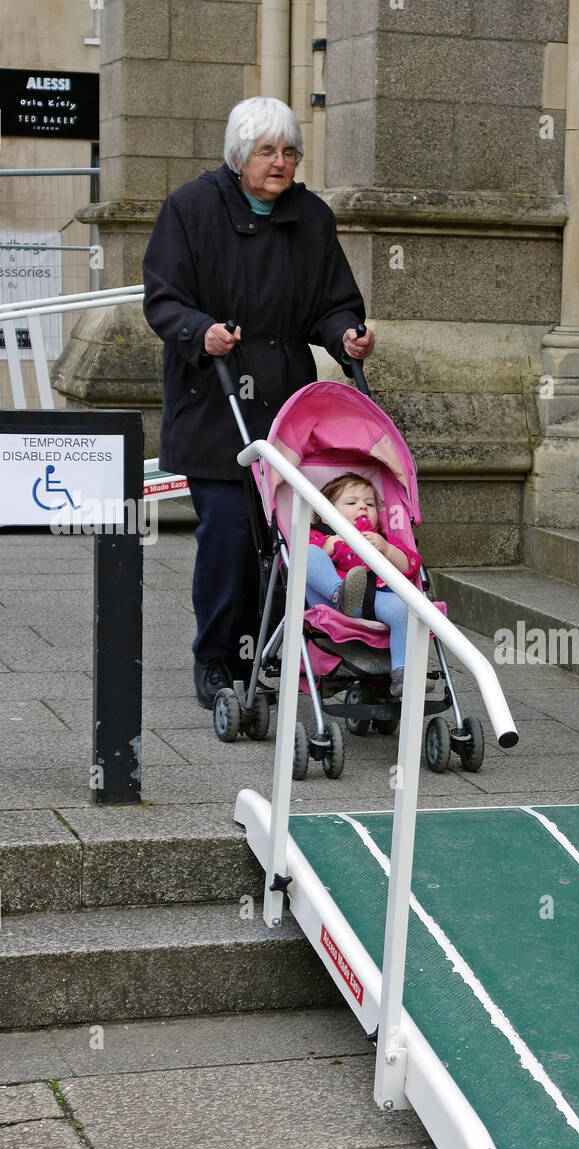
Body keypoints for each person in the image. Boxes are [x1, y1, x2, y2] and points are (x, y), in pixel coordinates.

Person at [142, 95, 375, 708]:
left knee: (287, 535)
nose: (280, 163)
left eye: (290, 152)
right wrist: (201, 332)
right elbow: (162, 300)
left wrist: (347, 332)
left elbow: (333, 303)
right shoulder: (190, 210)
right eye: (267, 151)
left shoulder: (313, 218)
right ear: (239, 156)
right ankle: (217, 657)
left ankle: (277, 647)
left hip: (287, 409)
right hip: (214, 402)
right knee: (227, 532)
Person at [306, 474, 429, 699]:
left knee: (404, 609)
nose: (362, 507)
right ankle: (339, 593)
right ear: (324, 513)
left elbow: (411, 566)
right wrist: (328, 546)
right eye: (351, 503)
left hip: (377, 600)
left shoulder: (382, 540)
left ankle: (403, 672)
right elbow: (306, 565)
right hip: (331, 602)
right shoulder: (320, 537)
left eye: (370, 504)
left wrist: (387, 550)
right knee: (305, 554)